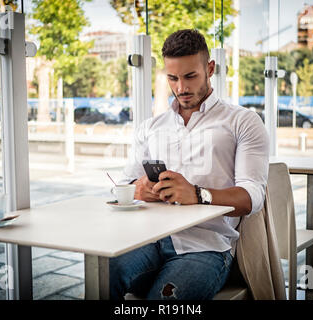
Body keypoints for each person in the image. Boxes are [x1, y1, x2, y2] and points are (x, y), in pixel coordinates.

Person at [110, 29, 269, 300]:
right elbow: (123, 186)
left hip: (205, 247)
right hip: (148, 239)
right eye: (173, 78)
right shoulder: (150, 127)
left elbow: (253, 197)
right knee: (103, 273)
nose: (181, 87)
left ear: (209, 69)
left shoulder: (243, 121)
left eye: (190, 76)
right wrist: (140, 190)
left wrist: (198, 194)